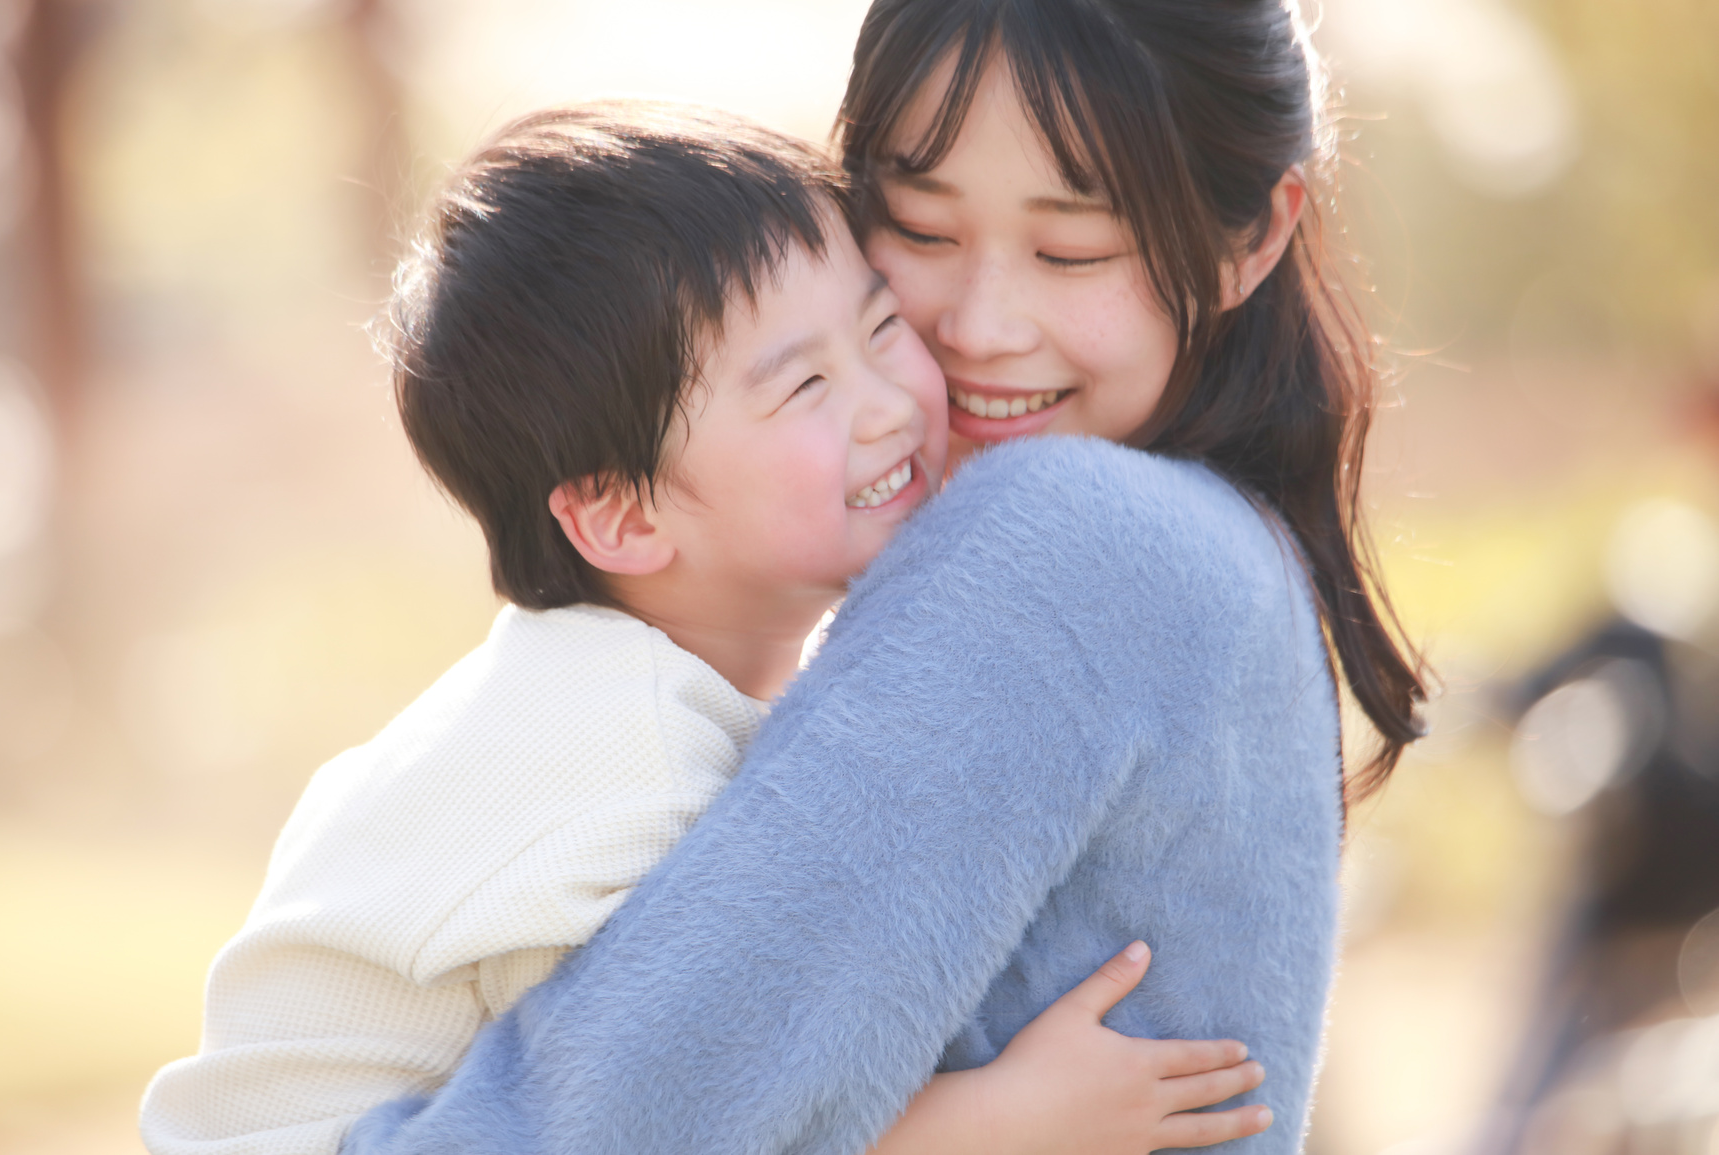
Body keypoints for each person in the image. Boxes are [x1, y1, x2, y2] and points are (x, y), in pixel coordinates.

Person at [344, 2, 1426, 1154]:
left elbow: (612, 1125)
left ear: (1251, 241)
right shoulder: (1230, 550)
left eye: (1072, 251)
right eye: (918, 227)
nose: (978, 324)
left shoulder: (1071, 542)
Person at [139, 105, 1271, 1155]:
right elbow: (674, 1115)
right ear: (621, 515)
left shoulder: (612, 690)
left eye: (880, 328)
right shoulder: (616, 750)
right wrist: (997, 1119)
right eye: (803, 389)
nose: (889, 401)